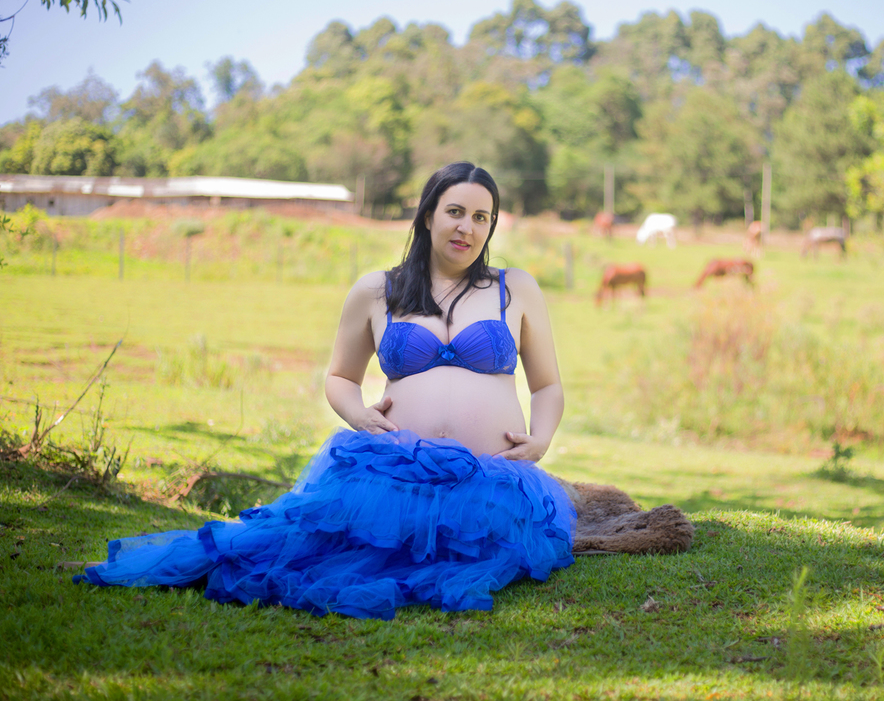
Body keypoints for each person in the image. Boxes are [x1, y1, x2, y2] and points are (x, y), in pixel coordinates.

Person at [74, 162, 575, 620]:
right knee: (295, 546)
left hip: (487, 479)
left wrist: (542, 438)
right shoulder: (378, 290)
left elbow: (547, 384)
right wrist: (358, 415)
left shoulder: (515, 288)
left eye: (482, 217)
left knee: (453, 558)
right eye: (456, 212)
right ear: (428, 216)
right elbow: (339, 377)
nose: (468, 227)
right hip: (392, 474)